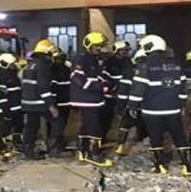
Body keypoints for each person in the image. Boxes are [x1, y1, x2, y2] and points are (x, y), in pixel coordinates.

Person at [127, 35, 191, 176]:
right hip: (173, 109)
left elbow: (138, 89)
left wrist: (132, 105)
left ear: (148, 47)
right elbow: (182, 88)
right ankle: (188, 166)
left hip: (152, 110)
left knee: (156, 138)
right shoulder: (176, 64)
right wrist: (182, 104)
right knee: (179, 136)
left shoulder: (145, 65)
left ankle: (159, 166)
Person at [71, 32, 114, 168]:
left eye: (101, 46)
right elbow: (78, 78)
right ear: (89, 45)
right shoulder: (83, 59)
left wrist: (105, 82)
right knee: (95, 126)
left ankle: (83, 152)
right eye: (97, 46)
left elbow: (96, 76)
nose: (99, 48)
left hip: (90, 98)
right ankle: (93, 154)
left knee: (87, 125)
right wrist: (101, 87)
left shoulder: (92, 59)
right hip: (88, 98)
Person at [20, 40, 59, 159]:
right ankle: (53, 149)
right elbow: (43, 88)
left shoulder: (30, 65)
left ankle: (28, 151)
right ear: (47, 53)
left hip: (28, 102)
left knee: (31, 126)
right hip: (39, 103)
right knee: (58, 122)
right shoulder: (43, 67)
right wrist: (51, 106)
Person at [114, 47, 147, 157]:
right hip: (144, 105)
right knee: (142, 127)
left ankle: (121, 146)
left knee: (125, 125)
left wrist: (121, 106)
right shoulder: (150, 71)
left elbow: (123, 90)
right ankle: (142, 147)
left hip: (131, 104)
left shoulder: (130, 71)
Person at [102, 41, 133, 145]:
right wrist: (110, 86)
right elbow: (105, 76)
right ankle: (102, 138)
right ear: (117, 50)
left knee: (123, 117)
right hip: (110, 94)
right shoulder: (109, 61)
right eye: (123, 50)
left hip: (124, 95)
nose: (125, 52)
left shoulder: (128, 61)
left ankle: (122, 141)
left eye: (127, 50)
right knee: (106, 117)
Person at [0, 52, 23, 159]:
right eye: (12, 64)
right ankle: (3, 149)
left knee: (18, 128)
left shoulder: (13, 75)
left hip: (16, 109)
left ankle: (16, 147)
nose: (14, 65)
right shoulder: (2, 77)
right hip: (7, 110)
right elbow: (1, 96)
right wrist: (6, 111)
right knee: (5, 130)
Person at [49, 51, 71, 156]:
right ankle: (54, 148)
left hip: (65, 102)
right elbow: (52, 87)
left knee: (61, 125)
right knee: (57, 125)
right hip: (57, 102)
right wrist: (52, 103)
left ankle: (59, 146)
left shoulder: (66, 69)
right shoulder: (52, 69)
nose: (61, 60)